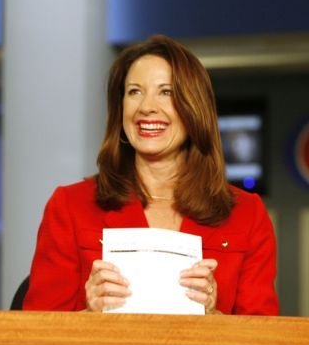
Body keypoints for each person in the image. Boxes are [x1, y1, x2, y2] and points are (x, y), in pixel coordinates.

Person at [23, 35, 279, 315]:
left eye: (166, 92)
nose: (146, 107)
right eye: (134, 92)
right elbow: (37, 339)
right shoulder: (69, 207)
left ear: (194, 108)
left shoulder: (248, 215)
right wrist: (88, 315)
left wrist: (214, 317)